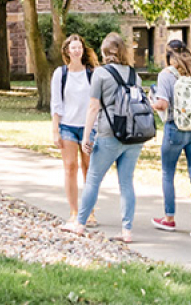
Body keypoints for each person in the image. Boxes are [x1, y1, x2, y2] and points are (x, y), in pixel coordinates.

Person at [60, 33, 146, 243]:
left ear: (104, 52)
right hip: (134, 137)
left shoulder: (101, 74)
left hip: (109, 134)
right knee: (126, 183)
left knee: (93, 179)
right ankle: (127, 231)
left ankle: (79, 224)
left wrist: (86, 136)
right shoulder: (135, 75)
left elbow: (93, 107)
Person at [150, 39, 191, 240]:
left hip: (175, 128)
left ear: (168, 56)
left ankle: (169, 218)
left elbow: (162, 104)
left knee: (168, 173)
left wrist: (151, 101)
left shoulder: (166, 75)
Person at [50, 34, 100, 227]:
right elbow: (56, 104)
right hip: (68, 126)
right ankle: (73, 211)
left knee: (89, 169)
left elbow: (98, 103)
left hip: (89, 128)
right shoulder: (60, 74)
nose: (77, 50)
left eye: (79, 47)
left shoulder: (93, 73)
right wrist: (55, 130)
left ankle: (90, 211)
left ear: (83, 50)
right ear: (67, 51)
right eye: (73, 47)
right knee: (70, 167)